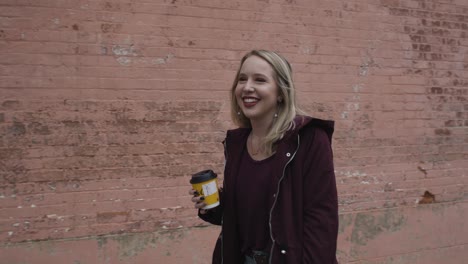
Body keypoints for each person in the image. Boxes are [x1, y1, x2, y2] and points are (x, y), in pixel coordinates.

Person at [189, 50, 338, 263]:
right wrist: (212, 206)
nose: (247, 87)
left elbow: (321, 221)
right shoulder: (236, 143)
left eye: (260, 80)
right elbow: (243, 218)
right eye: (242, 79)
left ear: (281, 92)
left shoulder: (309, 139)